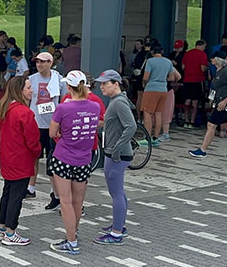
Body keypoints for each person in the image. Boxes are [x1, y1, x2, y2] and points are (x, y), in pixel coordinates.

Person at [47, 70, 101, 255]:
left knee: (66, 201)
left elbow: (52, 132)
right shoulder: (94, 106)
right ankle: (74, 233)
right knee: (78, 201)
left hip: (64, 157)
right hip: (84, 159)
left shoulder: (63, 108)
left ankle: (71, 240)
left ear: (68, 87)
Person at [0, 76, 40, 246]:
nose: (31, 90)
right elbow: (33, 140)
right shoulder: (24, 112)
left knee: (7, 193)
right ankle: (11, 232)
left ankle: (2, 227)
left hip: (7, 157)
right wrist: (37, 152)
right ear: (20, 90)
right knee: (16, 196)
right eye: (28, 87)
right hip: (21, 159)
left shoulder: (5, 108)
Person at [94, 70, 136, 245]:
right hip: (115, 152)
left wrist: (117, 149)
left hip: (117, 155)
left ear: (116, 84)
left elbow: (131, 126)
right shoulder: (117, 101)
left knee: (116, 193)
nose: (101, 86)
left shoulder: (118, 102)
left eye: (105, 83)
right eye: (101, 83)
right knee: (118, 192)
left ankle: (116, 233)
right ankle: (119, 225)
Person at [26, 51, 67, 206]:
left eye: (43, 62)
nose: (39, 65)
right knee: (33, 156)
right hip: (36, 123)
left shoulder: (59, 80)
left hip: (52, 125)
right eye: (37, 62)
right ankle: (30, 188)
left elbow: (64, 102)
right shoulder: (31, 79)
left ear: (50, 63)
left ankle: (54, 192)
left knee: (53, 160)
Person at [188, 51, 227, 158]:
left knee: (211, 125)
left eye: (213, 58)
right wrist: (211, 99)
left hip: (224, 103)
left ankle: (203, 150)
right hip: (219, 101)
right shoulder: (218, 71)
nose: (211, 60)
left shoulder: (225, 72)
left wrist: (225, 101)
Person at [141, 44, 180, 145]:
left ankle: (147, 137)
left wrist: (145, 82)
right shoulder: (168, 62)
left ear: (152, 52)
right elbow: (172, 78)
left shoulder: (150, 61)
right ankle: (155, 138)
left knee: (147, 112)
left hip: (151, 89)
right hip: (163, 89)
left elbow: (146, 77)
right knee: (158, 113)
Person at [182, 40, 209, 128]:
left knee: (187, 100)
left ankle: (186, 119)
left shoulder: (187, 53)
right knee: (195, 102)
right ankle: (192, 121)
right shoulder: (202, 55)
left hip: (187, 79)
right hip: (197, 80)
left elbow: (183, 67)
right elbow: (202, 68)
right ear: (202, 46)